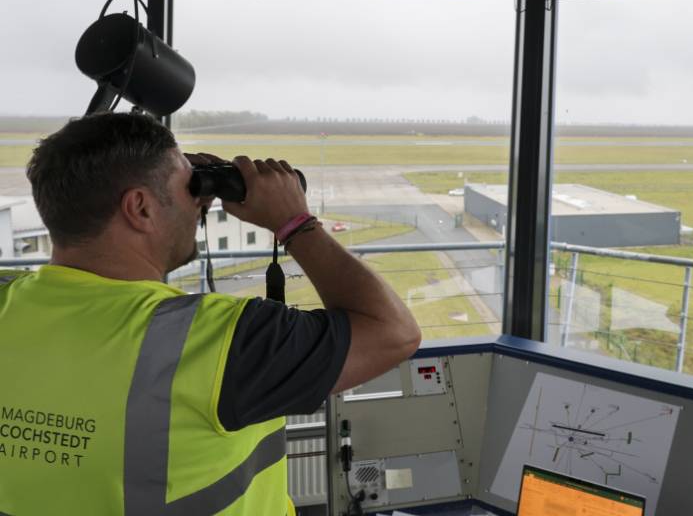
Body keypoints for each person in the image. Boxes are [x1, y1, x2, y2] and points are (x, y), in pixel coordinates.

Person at [0, 112, 420, 515]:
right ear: (141, 208)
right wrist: (294, 221)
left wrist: (170, 176)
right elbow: (394, 331)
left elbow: (81, 176)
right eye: (189, 189)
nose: (199, 203)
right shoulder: (217, 340)